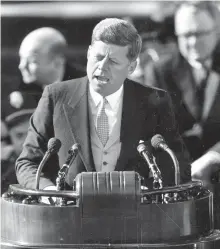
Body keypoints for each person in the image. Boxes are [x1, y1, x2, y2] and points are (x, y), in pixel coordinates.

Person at [16, 18, 191, 192]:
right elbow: (28, 163)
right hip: (69, 214)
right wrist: (50, 192)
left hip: (135, 216)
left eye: (113, 61)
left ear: (131, 67)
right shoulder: (55, 96)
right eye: (98, 57)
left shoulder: (156, 100)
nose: (102, 67)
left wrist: (149, 194)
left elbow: (177, 165)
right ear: (88, 53)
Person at [144, 2, 220, 189]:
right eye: (186, 35)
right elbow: (154, 130)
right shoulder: (159, 71)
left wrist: (214, 156)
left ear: (217, 30)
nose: (193, 43)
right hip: (180, 182)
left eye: (200, 33)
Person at [8, 27, 85, 114]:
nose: (21, 66)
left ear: (57, 62)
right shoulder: (17, 85)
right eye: (21, 58)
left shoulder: (86, 85)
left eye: (32, 61)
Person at [1, 109, 35, 193]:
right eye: (19, 135)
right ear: (10, 137)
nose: (25, 141)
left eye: (31, 134)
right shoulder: (4, 168)